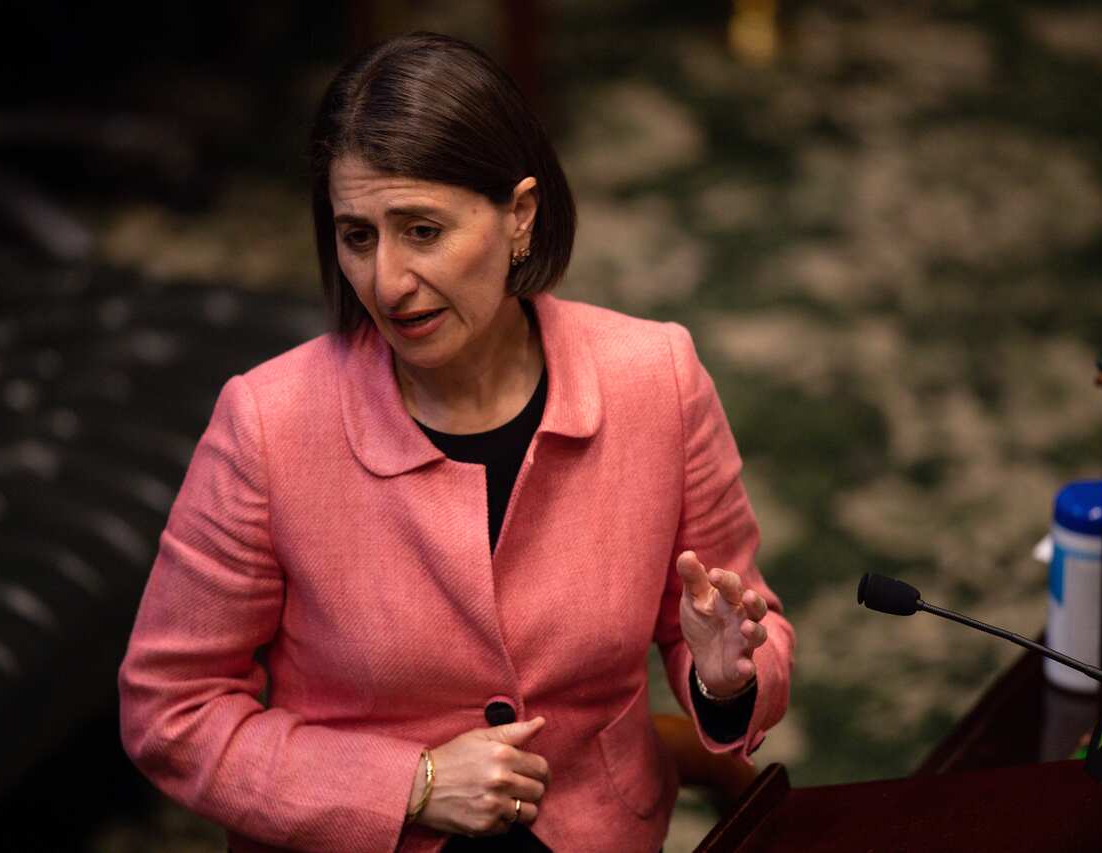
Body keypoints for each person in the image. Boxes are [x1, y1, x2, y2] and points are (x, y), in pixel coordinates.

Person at [118, 31, 794, 853]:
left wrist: (725, 679)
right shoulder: (266, 425)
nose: (388, 282)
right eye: (358, 236)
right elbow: (169, 710)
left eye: (423, 230)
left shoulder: (658, 377)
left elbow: (746, 626)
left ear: (519, 215)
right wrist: (412, 784)